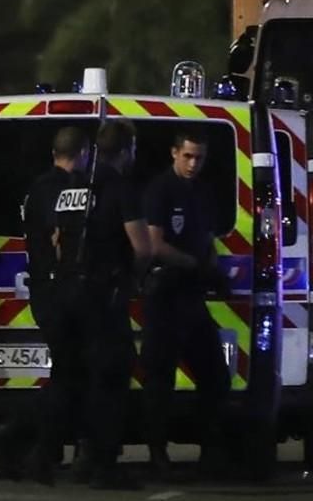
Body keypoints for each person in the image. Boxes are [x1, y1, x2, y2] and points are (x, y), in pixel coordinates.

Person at [29, 119, 150, 490]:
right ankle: (102, 465)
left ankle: (40, 456)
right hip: (100, 296)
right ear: (128, 150)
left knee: (68, 376)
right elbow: (142, 248)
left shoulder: (74, 188)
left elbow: (55, 238)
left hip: (64, 292)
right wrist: (134, 277)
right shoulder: (119, 187)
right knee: (111, 377)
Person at [0, 127, 92, 481]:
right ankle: (11, 434)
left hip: (44, 291)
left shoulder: (37, 189)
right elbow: (62, 237)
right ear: (84, 153)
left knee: (68, 375)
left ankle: (44, 450)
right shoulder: (69, 190)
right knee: (68, 377)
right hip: (62, 292)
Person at [141, 130, 232, 480]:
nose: (193, 164)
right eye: (188, 156)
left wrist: (213, 269)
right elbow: (154, 244)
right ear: (174, 153)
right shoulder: (161, 189)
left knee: (215, 377)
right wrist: (195, 264)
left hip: (191, 298)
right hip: (165, 296)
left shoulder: (201, 192)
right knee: (159, 381)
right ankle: (157, 453)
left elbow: (206, 237)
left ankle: (211, 452)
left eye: (199, 158)